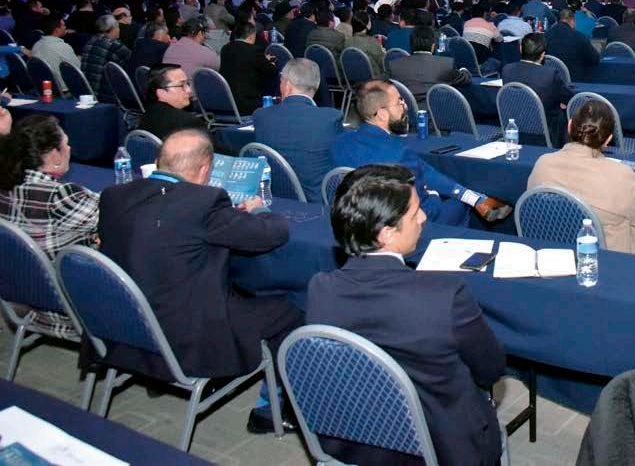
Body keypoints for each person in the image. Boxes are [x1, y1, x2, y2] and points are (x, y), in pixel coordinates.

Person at [96, 129, 302, 434]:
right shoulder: (204, 202)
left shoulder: (114, 196)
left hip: (126, 327)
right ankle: (274, 410)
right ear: (205, 169)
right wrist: (258, 209)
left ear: (160, 161)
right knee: (294, 305)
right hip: (185, 338)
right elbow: (271, 234)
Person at [307, 165, 505, 465]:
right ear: (386, 233)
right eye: (414, 213)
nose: (424, 217)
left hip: (358, 441)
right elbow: (491, 370)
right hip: (440, 447)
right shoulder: (445, 296)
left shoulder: (320, 289)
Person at [333, 80, 510, 223]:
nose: (405, 105)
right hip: (405, 223)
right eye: (399, 102)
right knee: (458, 205)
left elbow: (424, 170)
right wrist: (434, 195)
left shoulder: (339, 142)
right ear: (382, 114)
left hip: (358, 218)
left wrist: (468, 195)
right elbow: (425, 208)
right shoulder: (398, 154)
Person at [0, 114, 99, 340]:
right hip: (74, 307)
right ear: (54, 155)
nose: (70, 148)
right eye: (66, 144)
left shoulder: (7, 186)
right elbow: (116, 216)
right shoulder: (59, 196)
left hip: (29, 298)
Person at [528, 101, 635, 255]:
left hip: (553, 252)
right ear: (608, 140)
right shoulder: (622, 175)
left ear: (569, 126)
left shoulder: (543, 163)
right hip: (609, 257)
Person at [253, 59, 343, 200]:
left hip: (274, 199)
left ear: (287, 84)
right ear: (316, 85)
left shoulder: (261, 116)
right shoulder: (330, 118)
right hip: (319, 203)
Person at [501, 33, 573, 145]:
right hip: (546, 132)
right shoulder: (549, 74)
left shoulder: (507, 70)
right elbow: (570, 99)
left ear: (520, 49)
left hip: (516, 129)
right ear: (543, 55)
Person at [389, 26, 471, 110]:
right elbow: (465, 79)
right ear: (433, 46)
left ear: (411, 45)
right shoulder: (446, 64)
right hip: (439, 114)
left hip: (406, 114)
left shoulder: (394, 65)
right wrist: (464, 70)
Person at [219, 22, 278, 115]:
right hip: (247, 103)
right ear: (251, 36)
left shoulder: (225, 49)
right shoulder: (253, 50)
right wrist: (271, 63)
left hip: (227, 101)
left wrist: (263, 59)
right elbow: (272, 71)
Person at [138, 64, 209, 138]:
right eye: (182, 85)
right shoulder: (189, 123)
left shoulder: (146, 116)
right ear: (161, 92)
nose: (189, 90)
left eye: (187, 84)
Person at [81, 14, 132, 101]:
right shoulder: (115, 46)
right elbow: (133, 64)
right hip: (106, 96)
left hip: (87, 93)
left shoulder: (90, 42)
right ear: (113, 29)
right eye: (118, 27)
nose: (119, 30)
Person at [544, 7, 601, 82]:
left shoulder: (546, 35)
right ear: (572, 21)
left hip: (550, 79)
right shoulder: (579, 37)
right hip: (575, 81)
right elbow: (595, 59)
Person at [31, 14, 81, 97]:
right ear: (57, 30)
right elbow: (77, 70)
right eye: (63, 25)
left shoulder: (36, 45)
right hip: (64, 92)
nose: (65, 27)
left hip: (42, 90)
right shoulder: (63, 46)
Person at [162, 15, 220, 80]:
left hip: (168, 83)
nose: (205, 36)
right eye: (204, 33)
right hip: (188, 85)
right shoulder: (202, 51)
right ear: (200, 33)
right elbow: (219, 66)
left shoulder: (170, 48)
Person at [344, 11, 385, 76]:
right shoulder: (371, 41)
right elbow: (382, 63)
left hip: (353, 77)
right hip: (374, 77)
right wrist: (382, 50)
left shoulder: (347, 41)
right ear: (367, 25)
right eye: (370, 20)